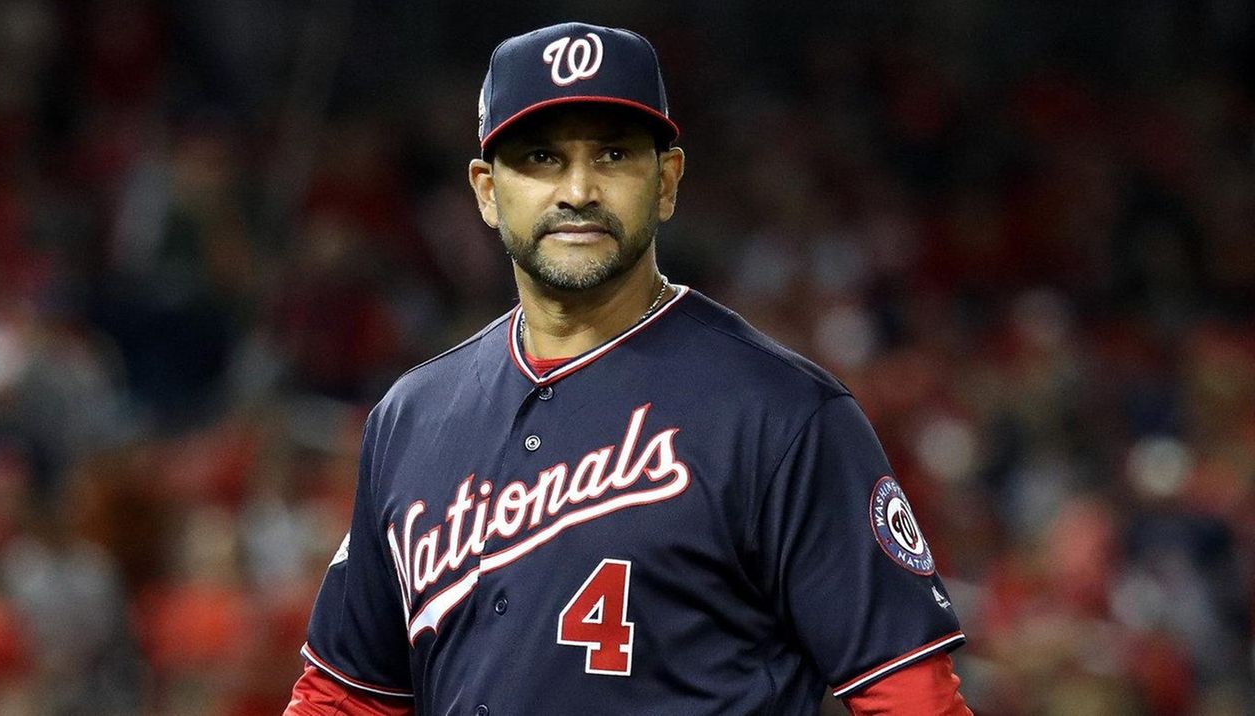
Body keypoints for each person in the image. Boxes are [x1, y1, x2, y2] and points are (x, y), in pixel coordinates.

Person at [285, 21, 972, 715]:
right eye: (541, 158)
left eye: (612, 155)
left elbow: (911, 695)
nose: (578, 189)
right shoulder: (412, 418)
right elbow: (345, 698)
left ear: (667, 180)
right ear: (488, 192)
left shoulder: (782, 413)